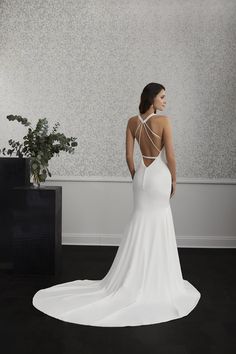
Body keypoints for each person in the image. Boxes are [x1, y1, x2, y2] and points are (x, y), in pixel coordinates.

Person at [32, 82, 201, 327]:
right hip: (159, 175)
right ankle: (157, 279)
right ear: (152, 98)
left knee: (140, 220)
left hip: (142, 173)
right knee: (158, 220)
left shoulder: (132, 121)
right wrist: (174, 179)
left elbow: (127, 156)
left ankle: (131, 278)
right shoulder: (164, 121)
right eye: (162, 97)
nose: (165, 101)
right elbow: (171, 156)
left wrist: (136, 175)